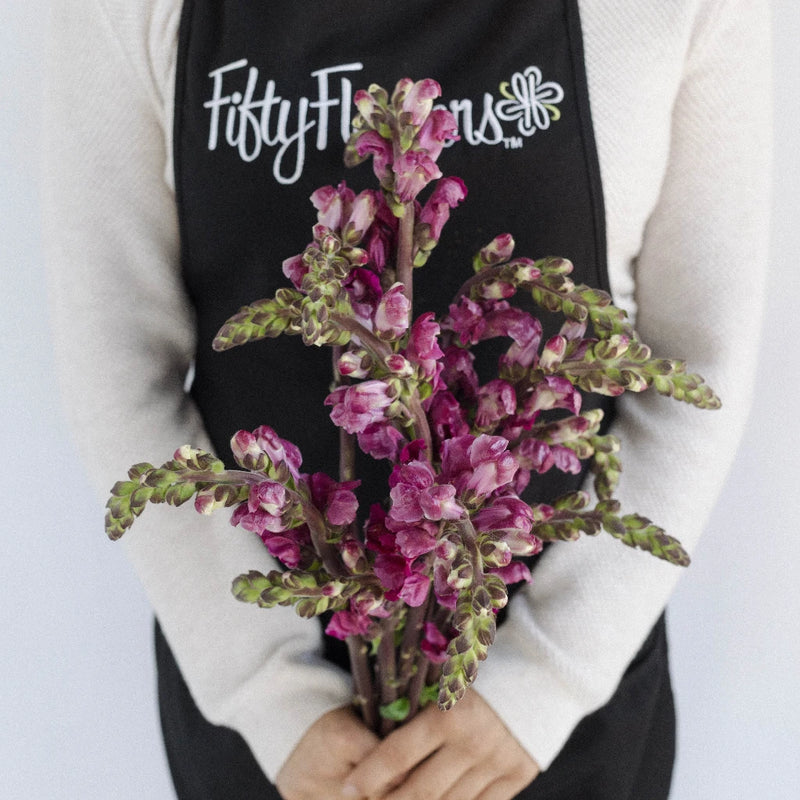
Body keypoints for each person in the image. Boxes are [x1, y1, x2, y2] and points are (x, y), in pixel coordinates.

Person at [43, 1, 772, 798]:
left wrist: (547, 678)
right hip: (278, 732)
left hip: (557, 713)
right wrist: (271, 696)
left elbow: (695, 365)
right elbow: (118, 368)